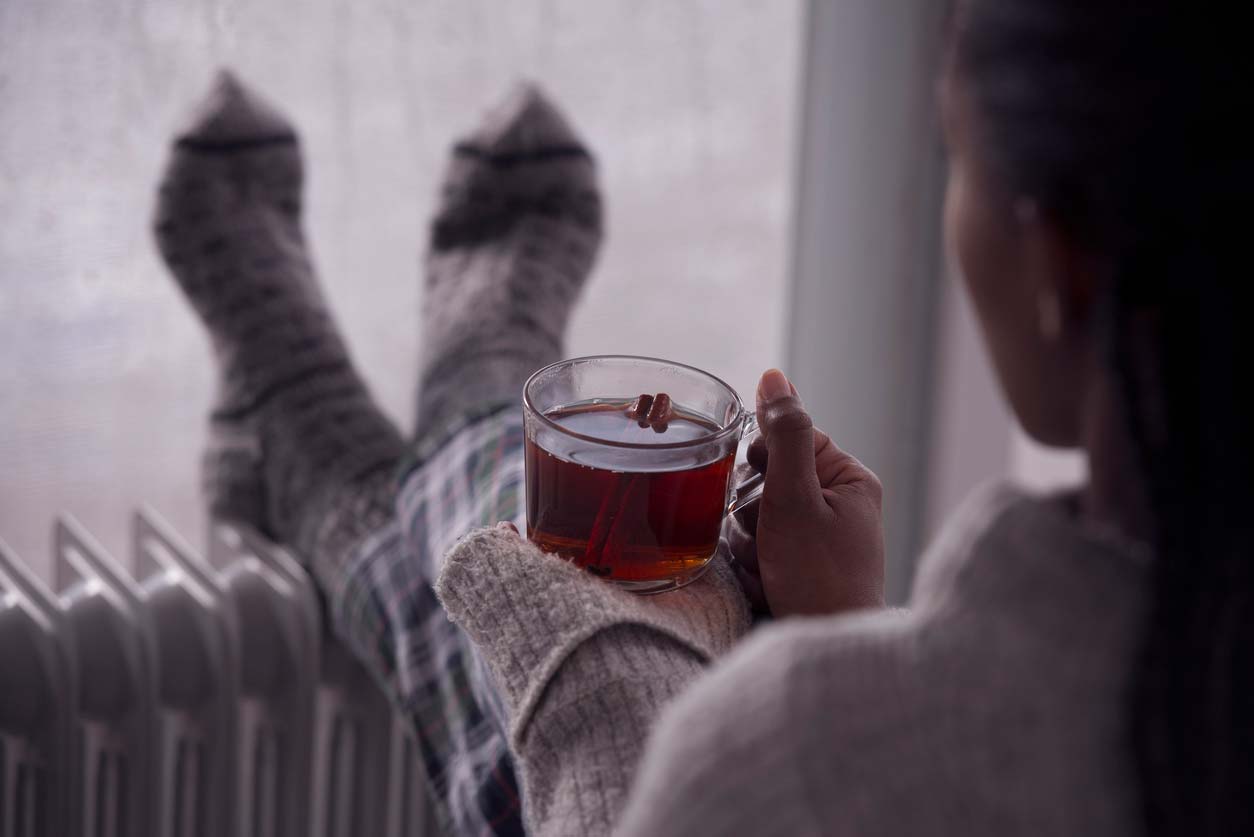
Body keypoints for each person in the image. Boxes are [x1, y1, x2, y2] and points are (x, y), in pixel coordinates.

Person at [156, 0, 1251, 834]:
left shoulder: (775, 764)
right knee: (525, 500)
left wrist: (592, 672)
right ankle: (364, 434)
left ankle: (339, 438)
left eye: (950, 157)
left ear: (1058, 262)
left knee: (517, 543)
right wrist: (830, 632)